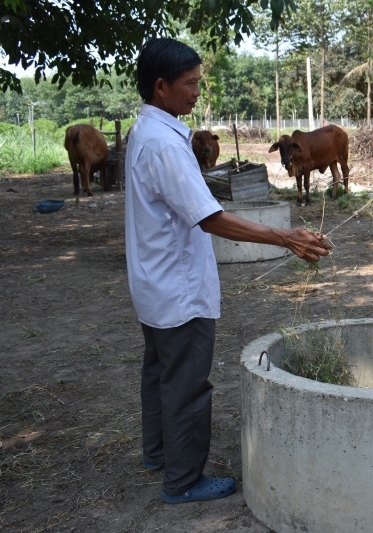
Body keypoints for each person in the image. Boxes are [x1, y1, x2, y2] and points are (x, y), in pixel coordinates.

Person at [125, 38, 332, 504]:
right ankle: (182, 481)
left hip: (153, 281)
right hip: (178, 289)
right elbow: (210, 217)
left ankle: (158, 453)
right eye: (190, 84)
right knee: (187, 382)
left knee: (159, 371)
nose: (198, 92)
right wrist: (286, 237)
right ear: (161, 88)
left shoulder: (147, 131)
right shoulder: (166, 145)